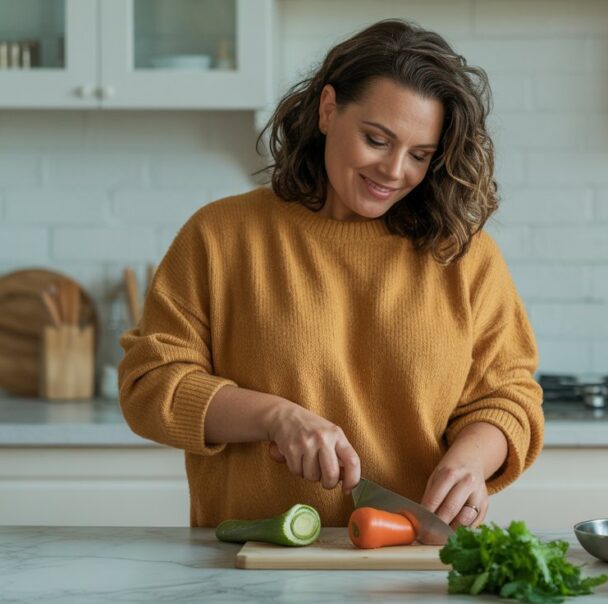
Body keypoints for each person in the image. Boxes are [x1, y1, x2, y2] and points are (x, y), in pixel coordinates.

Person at [118, 19, 544, 530]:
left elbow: (508, 396)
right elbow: (150, 384)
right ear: (327, 110)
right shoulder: (221, 236)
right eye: (376, 139)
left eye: (419, 155)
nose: (394, 171)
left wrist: (471, 461)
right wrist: (274, 417)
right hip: (252, 567)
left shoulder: (465, 258)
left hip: (410, 566)